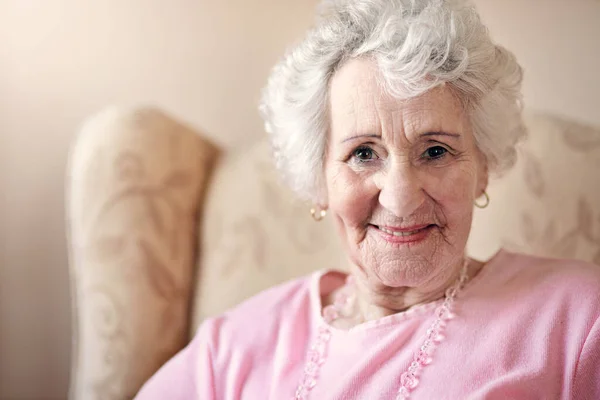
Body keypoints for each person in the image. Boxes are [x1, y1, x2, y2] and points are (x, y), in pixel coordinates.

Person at [135, 0, 600, 398]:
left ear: (482, 169)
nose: (400, 198)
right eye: (362, 153)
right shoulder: (231, 349)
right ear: (319, 179)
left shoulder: (578, 321)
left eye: (435, 151)